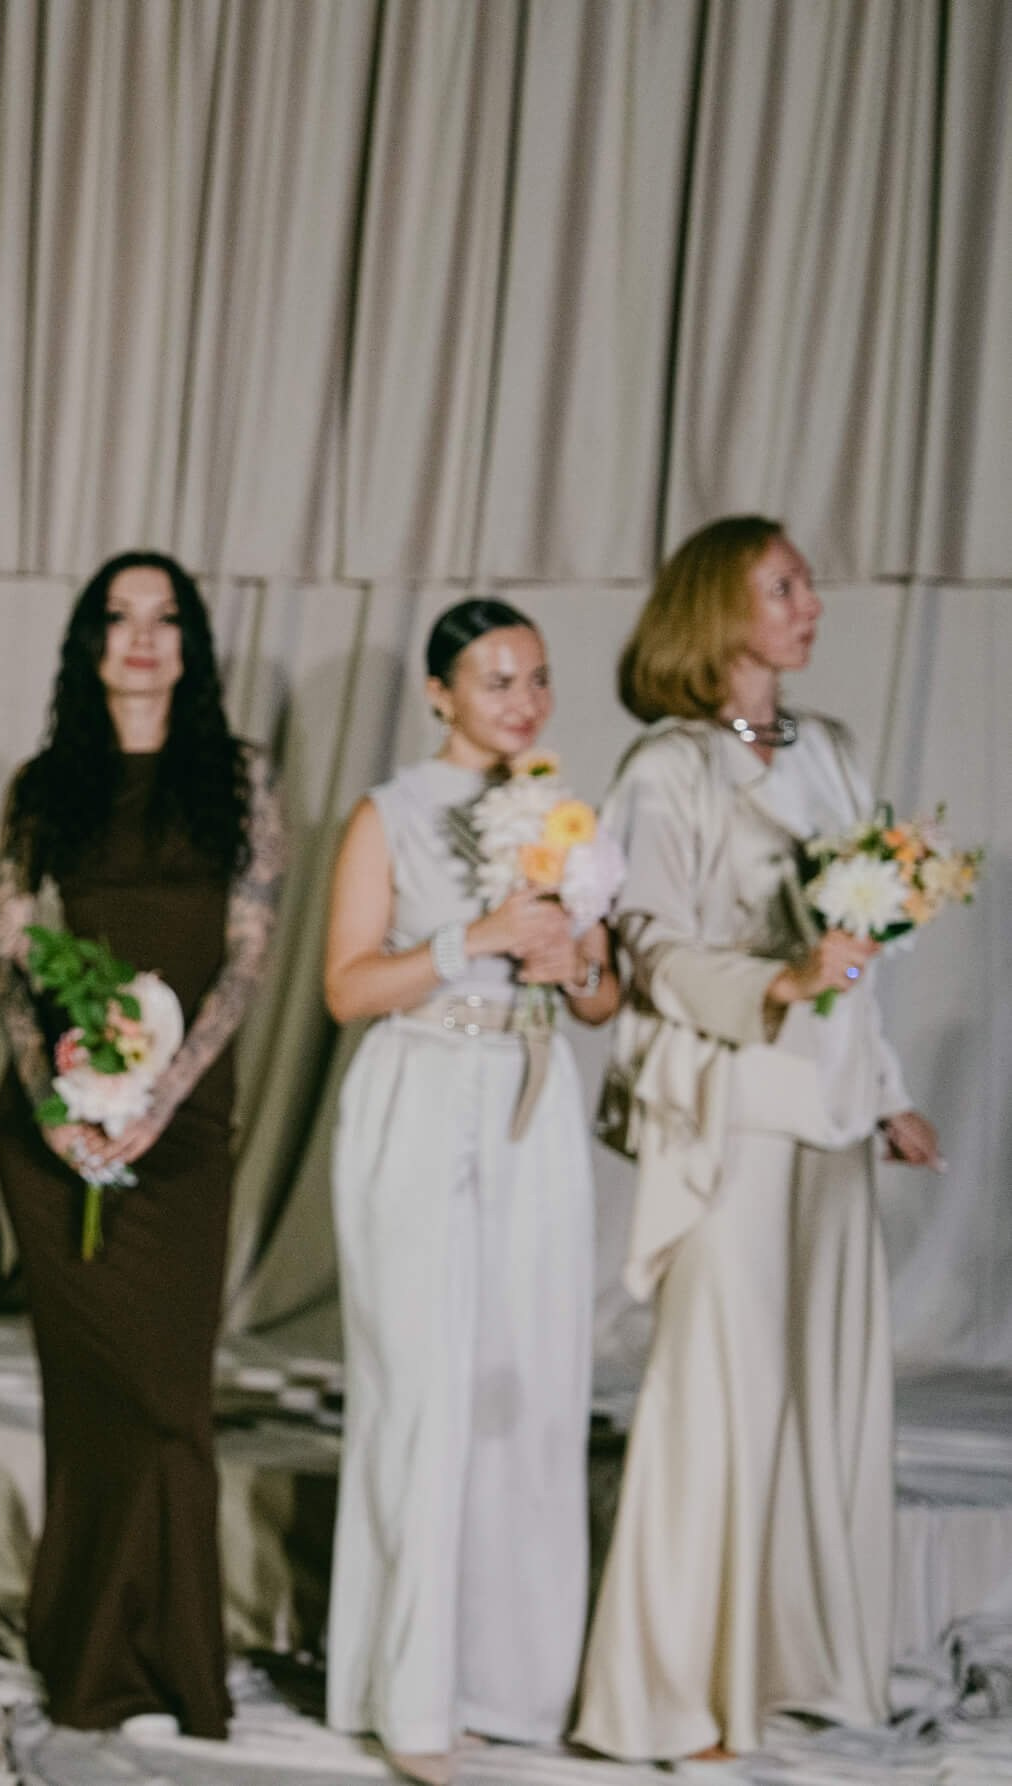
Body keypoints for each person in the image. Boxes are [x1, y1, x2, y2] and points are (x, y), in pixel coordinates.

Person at [575, 517, 942, 1762]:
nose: (810, 604)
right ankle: (678, 1692)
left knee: (825, 1391)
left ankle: (798, 1664)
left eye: (805, 584)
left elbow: (862, 949)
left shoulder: (828, 750)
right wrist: (777, 985)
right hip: (733, 1106)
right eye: (782, 585)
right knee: (721, 1396)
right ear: (717, 609)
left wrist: (884, 1087)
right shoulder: (666, 766)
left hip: (826, 1108)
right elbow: (649, 945)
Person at [319, 599, 618, 1783]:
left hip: (530, 1101)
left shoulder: (566, 815)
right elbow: (346, 988)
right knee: (425, 1391)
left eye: (537, 679)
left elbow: (601, 998)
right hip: (421, 1092)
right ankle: (408, 1694)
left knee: (524, 1388)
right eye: (496, 681)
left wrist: (574, 961)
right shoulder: (387, 813)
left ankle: (503, 1678)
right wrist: (474, 936)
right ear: (439, 693)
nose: (523, 702)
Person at [0, 550, 284, 1744]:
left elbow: (249, 954)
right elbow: (11, 955)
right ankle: (85, 1654)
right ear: (90, 644)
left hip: (182, 1121)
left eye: (165, 618)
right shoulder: (42, 785)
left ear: (191, 644)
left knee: (170, 1399)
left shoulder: (239, 777)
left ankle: (174, 1660)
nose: (142, 636)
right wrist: (50, 1098)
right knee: (91, 1396)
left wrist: (162, 1094)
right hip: (58, 1118)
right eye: (119, 617)